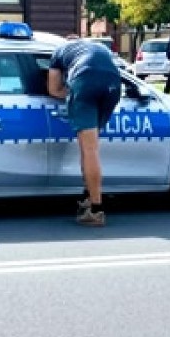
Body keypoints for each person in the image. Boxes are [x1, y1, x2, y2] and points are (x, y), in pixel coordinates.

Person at [48, 37, 122, 227]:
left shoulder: (60, 52)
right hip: (113, 85)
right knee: (90, 147)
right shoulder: (97, 47)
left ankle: (96, 210)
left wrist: (72, 91)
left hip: (85, 81)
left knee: (89, 149)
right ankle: (88, 196)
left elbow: (53, 90)